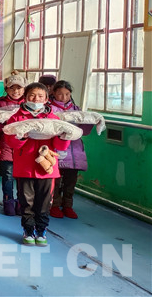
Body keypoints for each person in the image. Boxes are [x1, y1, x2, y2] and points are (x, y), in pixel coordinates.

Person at [4, 82, 70, 247]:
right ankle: (28, 230)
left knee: (44, 202)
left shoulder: (53, 119)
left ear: (47, 99)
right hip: (24, 167)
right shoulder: (17, 118)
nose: (36, 99)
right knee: (27, 202)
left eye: (40, 96)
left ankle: (41, 230)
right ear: (25, 97)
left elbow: (60, 146)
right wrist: (21, 137)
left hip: (47, 168)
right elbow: (11, 142)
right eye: (32, 95)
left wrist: (63, 136)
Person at [49, 80, 91, 220]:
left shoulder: (76, 109)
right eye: (60, 94)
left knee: (71, 180)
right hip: (57, 148)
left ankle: (68, 205)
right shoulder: (49, 109)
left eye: (67, 94)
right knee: (55, 179)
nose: (64, 97)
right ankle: (54, 205)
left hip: (74, 150)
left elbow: (84, 131)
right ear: (54, 93)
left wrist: (89, 122)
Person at [0, 71, 26, 216]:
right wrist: (9, 125)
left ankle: (21, 202)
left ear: (24, 89)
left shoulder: (27, 104)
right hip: (6, 145)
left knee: (22, 177)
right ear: (6, 89)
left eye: (19, 88)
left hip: (24, 147)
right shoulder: (0, 104)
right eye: (12, 88)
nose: (15, 91)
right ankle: (8, 201)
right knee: (8, 175)